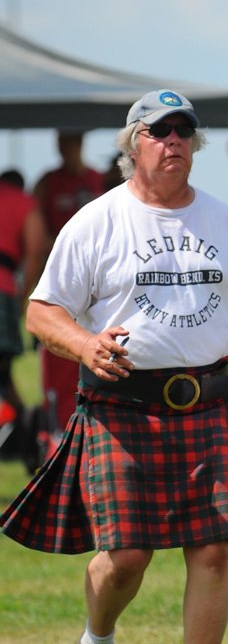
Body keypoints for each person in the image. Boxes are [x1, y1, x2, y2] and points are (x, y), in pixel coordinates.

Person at [1, 89, 228, 644]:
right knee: (126, 556)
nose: (175, 142)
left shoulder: (223, 222)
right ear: (132, 145)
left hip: (211, 403)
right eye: (160, 132)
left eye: (184, 132)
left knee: (212, 551)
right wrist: (85, 343)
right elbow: (41, 311)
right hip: (122, 406)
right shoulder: (97, 221)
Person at [32, 131, 107, 427]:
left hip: (97, 284)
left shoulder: (97, 179)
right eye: (62, 143)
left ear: (80, 143)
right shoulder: (47, 182)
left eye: (71, 141)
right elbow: (36, 233)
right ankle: (58, 432)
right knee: (59, 364)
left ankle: (87, 424)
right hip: (61, 281)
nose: (66, 148)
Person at [0, 170, 48, 426]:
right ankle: (18, 428)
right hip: (2, 286)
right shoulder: (23, 202)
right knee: (3, 368)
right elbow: (35, 251)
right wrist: (24, 296)